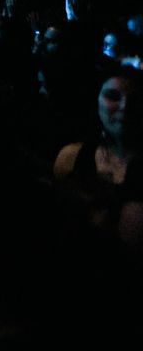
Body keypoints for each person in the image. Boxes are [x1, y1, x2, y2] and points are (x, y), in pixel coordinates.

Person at [52, 68, 141, 252]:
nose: (125, 106)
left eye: (136, 100)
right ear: (96, 100)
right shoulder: (71, 157)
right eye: (113, 96)